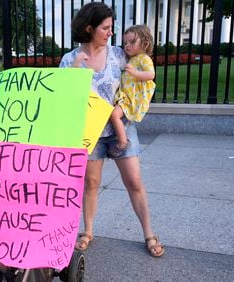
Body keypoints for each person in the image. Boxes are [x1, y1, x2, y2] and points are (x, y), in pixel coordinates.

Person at [59, 2, 165, 258]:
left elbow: (146, 67)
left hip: (122, 128)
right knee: (91, 183)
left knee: (134, 182)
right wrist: (74, 71)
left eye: (111, 27)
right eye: (105, 28)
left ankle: (149, 233)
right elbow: (62, 97)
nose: (110, 32)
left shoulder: (119, 54)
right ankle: (88, 231)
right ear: (89, 28)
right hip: (90, 133)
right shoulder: (70, 59)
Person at [108, 25, 156, 157]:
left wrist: (135, 72)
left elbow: (150, 75)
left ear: (145, 43)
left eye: (132, 42)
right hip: (125, 96)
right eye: (125, 43)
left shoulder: (144, 58)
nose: (127, 45)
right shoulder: (132, 58)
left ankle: (123, 142)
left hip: (131, 98)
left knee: (114, 115)